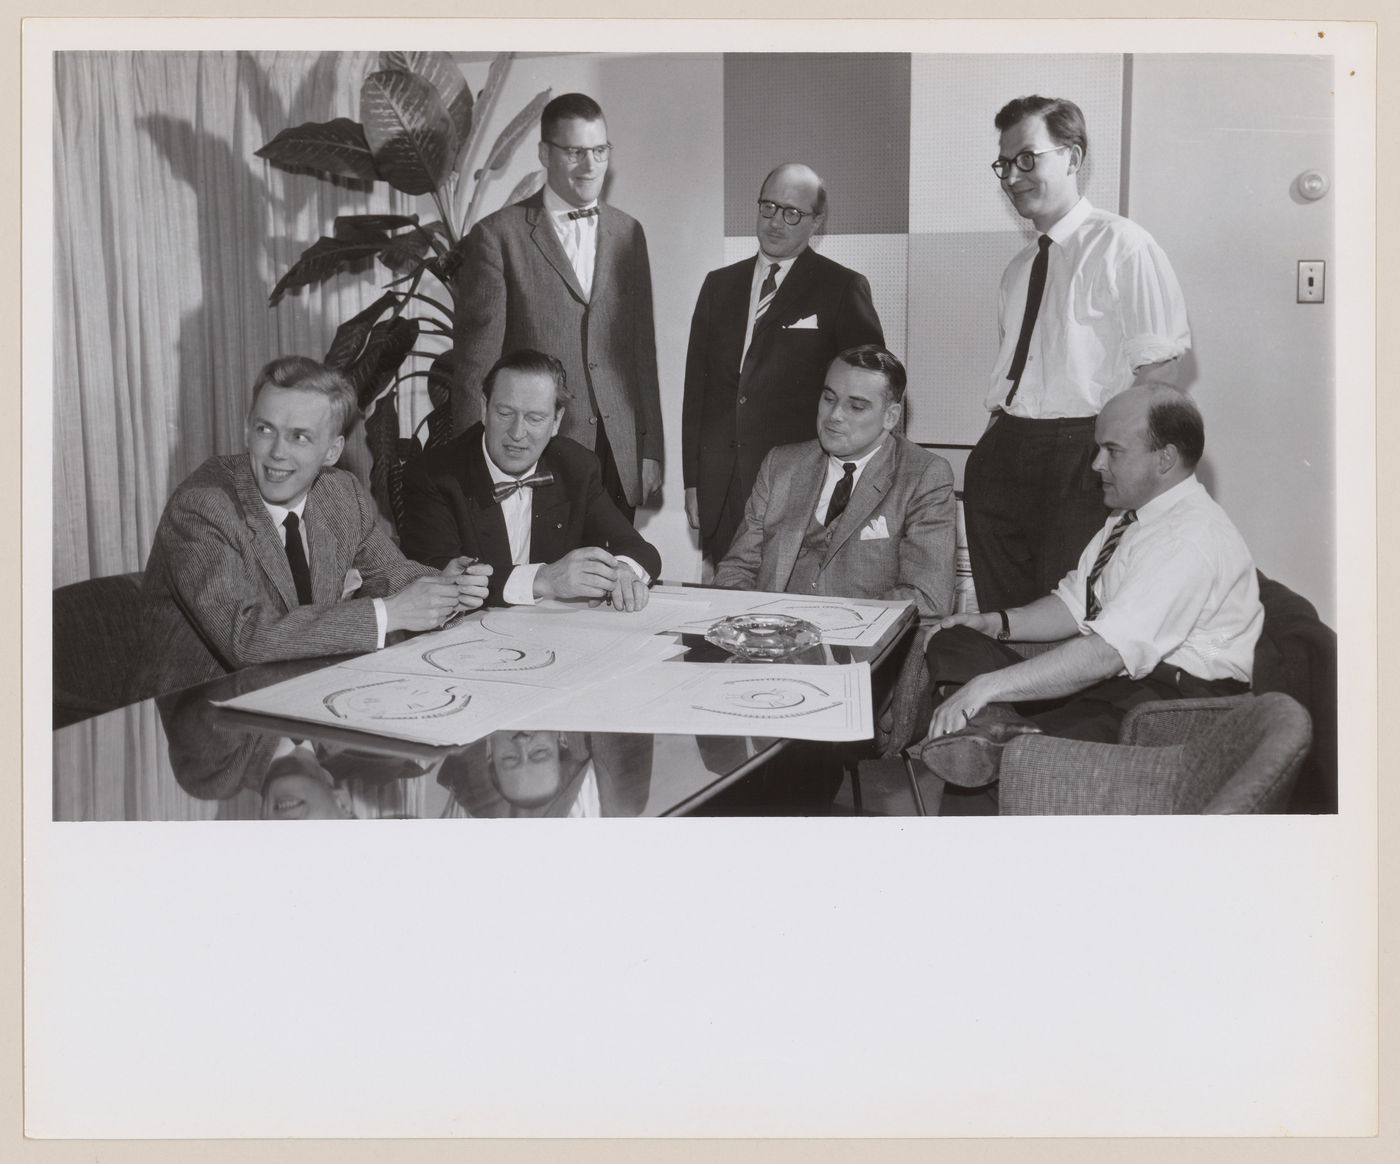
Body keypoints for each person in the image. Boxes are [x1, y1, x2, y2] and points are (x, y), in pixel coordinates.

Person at [920, 384, 1262, 790]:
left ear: (1165, 459)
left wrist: (985, 686)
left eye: (1113, 451)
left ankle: (1010, 741)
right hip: (1117, 679)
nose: (1097, 463)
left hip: (1169, 702)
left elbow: (1106, 653)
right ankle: (1004, 730)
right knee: (953, 638)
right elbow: (1073, 603)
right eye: (1098, 448)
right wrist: (995, 623)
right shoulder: (1130, 518)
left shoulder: (1188, 537)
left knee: (1018, 748)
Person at [131, 356, 491, 697]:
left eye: (299, 437)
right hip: (210, 725)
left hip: (312, 702)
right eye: (265, 430)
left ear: (332, 451)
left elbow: (390, 574)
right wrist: (390, 612)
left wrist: (445, 587)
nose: (277, 453)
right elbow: (247, 638)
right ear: (246, 430)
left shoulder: (340, 492)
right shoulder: (204, 506)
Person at [964, 95, 1191, 615]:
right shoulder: (1019, 268)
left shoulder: (1124, 246)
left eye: (1027, 158)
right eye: (1004, 163)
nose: (1012, 175)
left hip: (1083, 455)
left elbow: (1159, 372)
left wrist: (1110, 459)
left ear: (1072, 157)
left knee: (1069, 618)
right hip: (1005, 451)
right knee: (1007, 619)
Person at [450, 92, 661, 522]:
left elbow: (642, 353)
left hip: (618, 455)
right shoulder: (497, 237)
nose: (590, 166)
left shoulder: (629, 233)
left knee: (617, 577)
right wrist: (473, 465)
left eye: (600, 151)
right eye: (575, 152)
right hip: (538, 452)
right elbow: (477, 367)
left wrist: (650, 448)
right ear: (545, 153)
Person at [682, 162, 885, 563]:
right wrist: (694, 481)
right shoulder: (718, 286)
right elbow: (697, 392)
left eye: (793, 213)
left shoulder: (841, 287)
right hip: (722, 487)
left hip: (800, 485)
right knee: (726, 604)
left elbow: (872, 389)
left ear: (817, 222)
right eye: (768, 208)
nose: (776, 222)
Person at [399, 349, 661, 610]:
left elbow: (640, 550)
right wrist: (544, 580)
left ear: (557, 420)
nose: (517, 432)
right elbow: (437, 578)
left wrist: (624, 570)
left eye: (534, 418)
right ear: (483, 408)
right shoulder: (433, 475)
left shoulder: (576, 466)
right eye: (504, 413)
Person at [713, 346, 956, 623]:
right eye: (829, 398)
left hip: (868, 654)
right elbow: (736, 570)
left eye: (856, 406)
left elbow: (928, 597)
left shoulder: (923, 475)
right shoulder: (781, 465)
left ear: (890, 416)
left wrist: (826, 620)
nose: (835, 415)